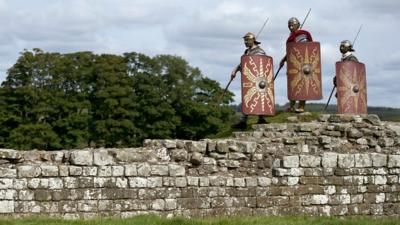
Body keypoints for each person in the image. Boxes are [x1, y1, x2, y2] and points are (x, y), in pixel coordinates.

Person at [231, 32, 267, 129]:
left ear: (253, 40)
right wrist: (235, 70)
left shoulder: (260, 51)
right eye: (244, 40)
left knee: (260, 97)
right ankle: (243, 121)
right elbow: (242, 64)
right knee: (247, 98)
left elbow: (262, 65)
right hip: (250, 80)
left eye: (247, 40)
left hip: (259, 80)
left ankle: (261, 118)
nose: (245, 42)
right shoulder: (247, 52)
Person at [279, 17, 313, 113]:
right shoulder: (292, 37)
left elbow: (303, 49)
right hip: (293, 64)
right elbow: (292, 51)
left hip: (302, 65)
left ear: (298, 24)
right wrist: (284, 59)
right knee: (292, 85)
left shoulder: (301, 34)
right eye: (289, 25)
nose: (290, 26)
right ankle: (292, 106)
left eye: (292, 24)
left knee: (302, 85)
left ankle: (301, 106)